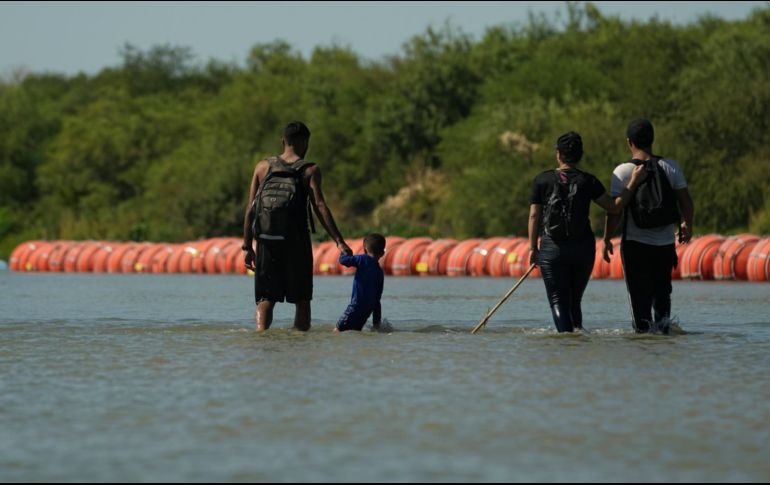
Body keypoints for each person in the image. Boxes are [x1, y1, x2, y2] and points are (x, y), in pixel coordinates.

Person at [529, 131, 646, 332]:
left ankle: (566, 341)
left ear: (558, 154)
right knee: (574, 301)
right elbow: (614, 207)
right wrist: (633, 181)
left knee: (559, 301)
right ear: (580, 155)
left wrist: (533, 248)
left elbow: (534, 216)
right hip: (582, 249)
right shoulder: (588, 181)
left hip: (552, 249)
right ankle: (578, 341)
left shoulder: (542, 180)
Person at [242, 121, 352, 331]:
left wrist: (247, 247)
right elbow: (320, 206)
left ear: (283, 141)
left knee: (265, 298)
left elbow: (250, 209)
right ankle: (300, 342)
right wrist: (339, 241)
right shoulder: (309, 170)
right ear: (305, 142)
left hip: (266, 241)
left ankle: (261, 335)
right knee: (301, 299)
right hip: (296, 242)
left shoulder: (262, 167)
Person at [603, 119, 694, 333]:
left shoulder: (623, 171)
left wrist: (607, 238)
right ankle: (663, 336)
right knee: (662, 297)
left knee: (639, 303)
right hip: (664, 245)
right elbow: (686, 202)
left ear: (629, 142)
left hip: (635, 245)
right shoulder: (670, 167)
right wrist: (687, 224)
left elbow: (615, 211)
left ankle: (644, 342)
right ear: (652, 140)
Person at [336, 233, 386, 332]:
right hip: (367, 312)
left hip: (354, 308)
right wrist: (376, 323)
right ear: (382, 253)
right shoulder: (380, 272)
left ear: (365, 250)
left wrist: (344, 251)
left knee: (337, 332)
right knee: (355, 332)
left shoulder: (362, 259)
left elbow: (343, 261)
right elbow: (377, 300)